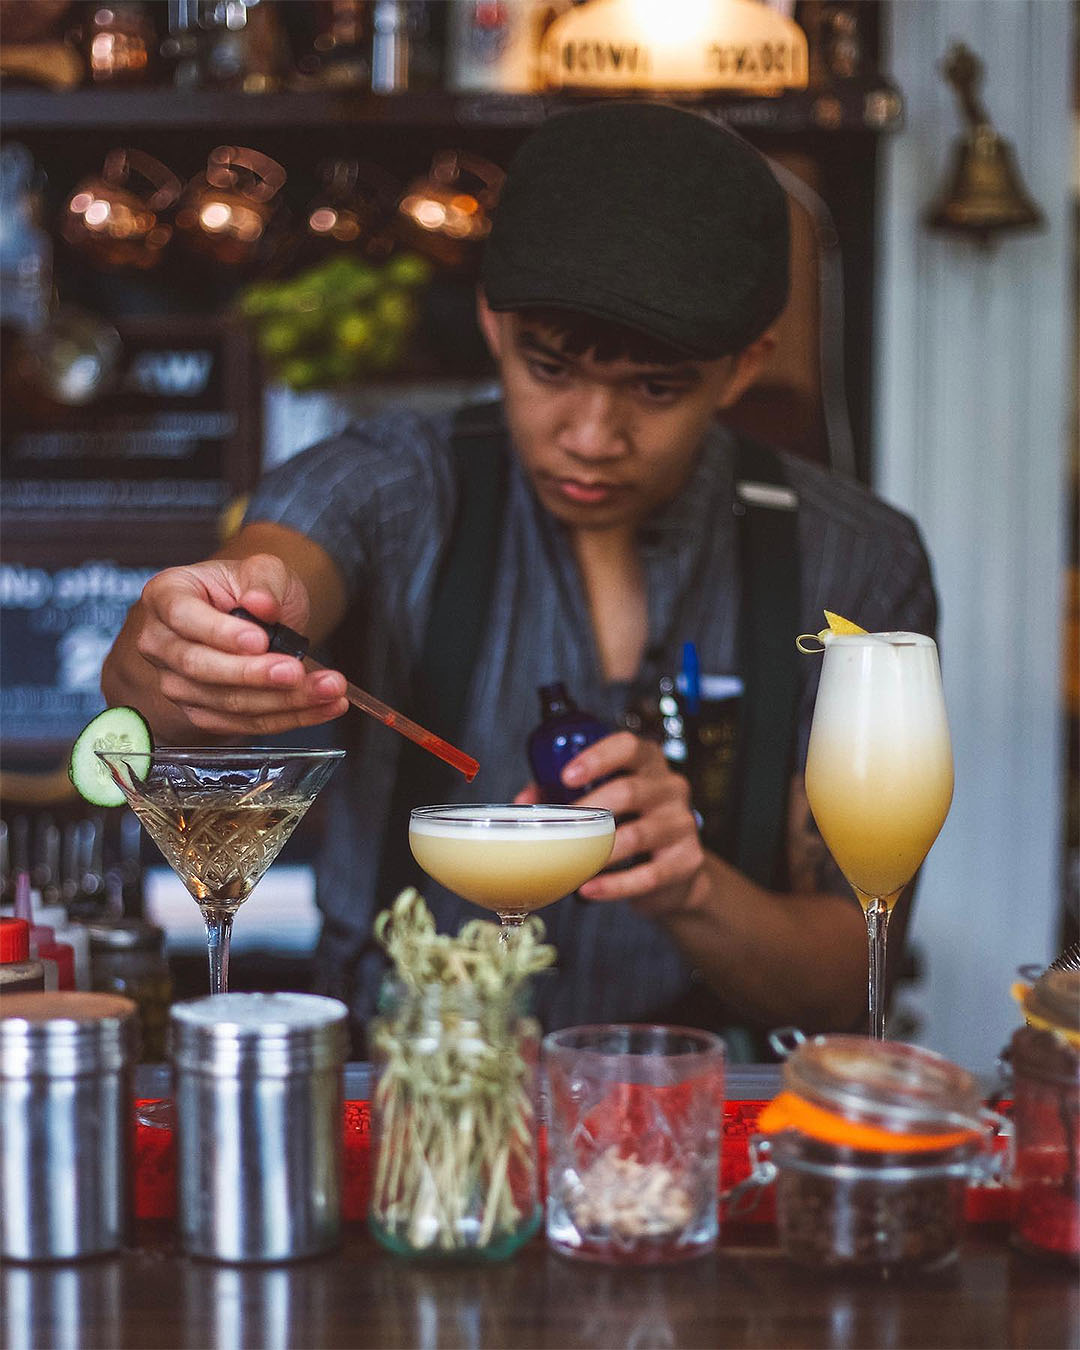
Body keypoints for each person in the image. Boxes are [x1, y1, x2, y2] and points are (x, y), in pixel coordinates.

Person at [101, 102, 937, 1055]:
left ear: (742, 368)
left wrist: (693, 885)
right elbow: (262, 579)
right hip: (403, 1095)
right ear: (495, 326)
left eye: (656, 389)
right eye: (550, 369)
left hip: (697, 1122)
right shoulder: (390, 489)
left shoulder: (855, 562)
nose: (590, 436)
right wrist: (190, 637)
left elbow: (846, 980)